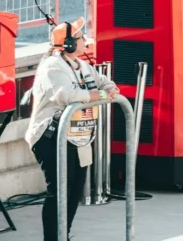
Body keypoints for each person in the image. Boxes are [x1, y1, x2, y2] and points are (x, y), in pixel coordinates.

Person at [25, 18, 119, 241]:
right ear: (67, 44)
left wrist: (108, 89)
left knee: (75, 191)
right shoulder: (52, 67)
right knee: (59, 192)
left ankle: (63, 235)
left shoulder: (81, 65)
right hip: (50, 137)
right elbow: (67, 96)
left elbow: (103, 81)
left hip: (78, 137)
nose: (85, 39)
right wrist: (102, 96)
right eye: (80, 37)